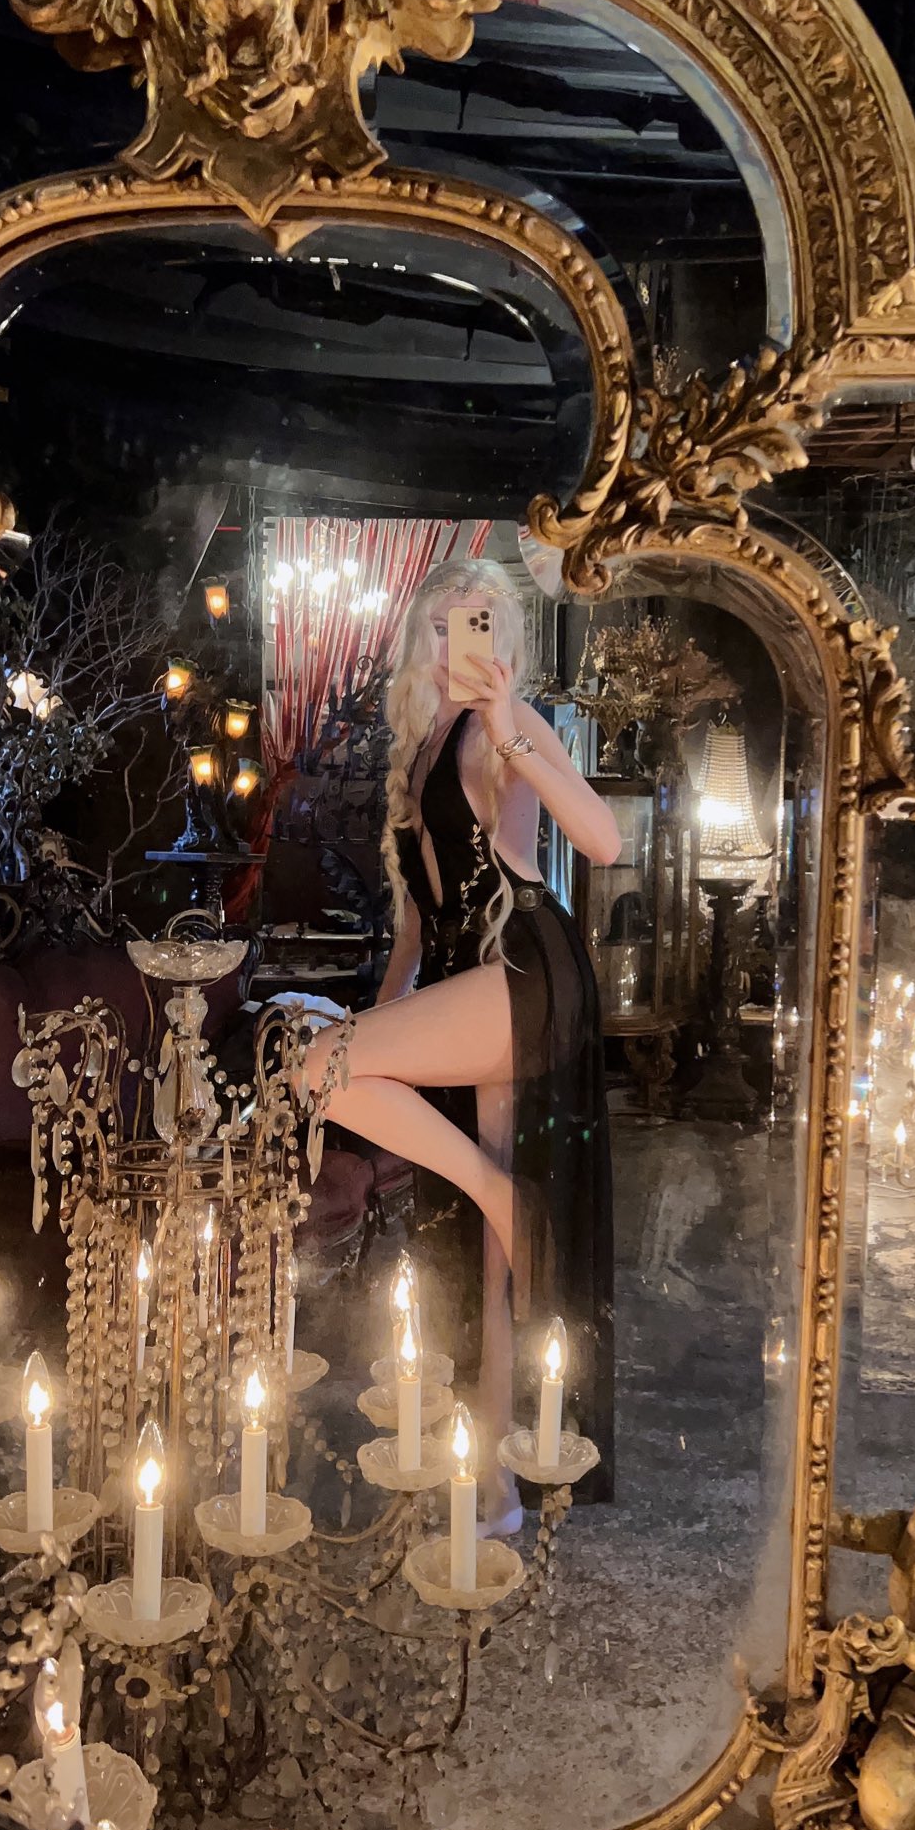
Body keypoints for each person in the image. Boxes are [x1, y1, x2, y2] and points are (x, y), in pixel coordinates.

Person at [304, 557, 620, 1525]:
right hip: (459, 979)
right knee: (488, 1260)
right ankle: (495, 1481)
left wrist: (511, 723)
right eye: (440, 627)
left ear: (504, 639)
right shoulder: (419, 745)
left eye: (474, 624)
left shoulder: (503, 729)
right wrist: (381, 1026)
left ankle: (499, 1190)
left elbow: (601, 842)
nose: (454, 646)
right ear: (419, 640)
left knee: (318, 1064)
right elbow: (413, 932)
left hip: (524, 969)